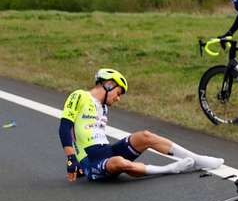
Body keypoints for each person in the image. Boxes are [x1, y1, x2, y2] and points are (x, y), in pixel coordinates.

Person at [59, 68, 224, 182]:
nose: (118, 99)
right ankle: (170, 168)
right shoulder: (79, 95)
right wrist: (72, 159)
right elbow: (65, 126)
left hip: (107, 151)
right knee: (120, 162)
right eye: (118, 93)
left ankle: (199, 160)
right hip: (91, 161)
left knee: (145, 136)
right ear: (109, 84)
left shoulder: (103, 107)